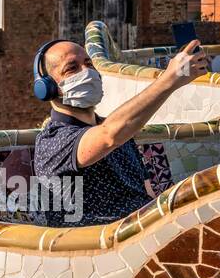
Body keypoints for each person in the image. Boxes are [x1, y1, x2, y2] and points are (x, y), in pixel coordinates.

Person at [32, 37, 208, 226]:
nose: (87, 72)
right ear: (47, 88)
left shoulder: (118, 131)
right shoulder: (52, 140)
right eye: (71, 68)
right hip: (102, 245)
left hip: (146, 233)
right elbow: (108, 136)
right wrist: (169, 80)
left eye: (89, 64)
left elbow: (145, 190)